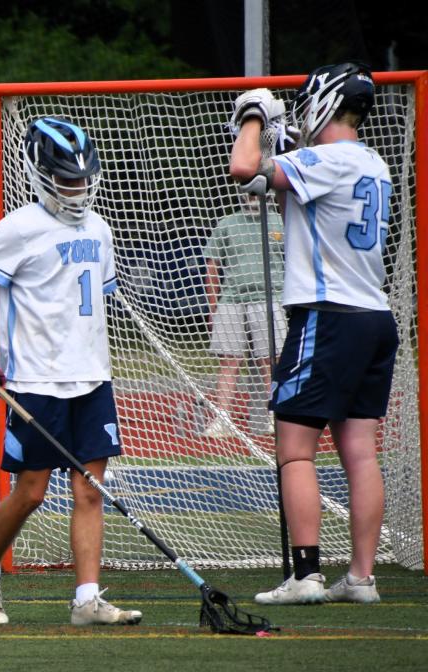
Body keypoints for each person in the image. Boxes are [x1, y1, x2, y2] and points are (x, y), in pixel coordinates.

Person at [0, 116, 142, 626]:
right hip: (35, 383)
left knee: (89, 490)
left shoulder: (99, 228)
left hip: (92, 378)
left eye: (82, 178)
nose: (77, 190)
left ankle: (87, 599)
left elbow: (95, 300)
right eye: (66, 180)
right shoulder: (21, 227)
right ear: (40, 174)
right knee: (30, 491)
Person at [229, 62, 397, 605]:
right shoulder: (375, 163)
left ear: (324, 102)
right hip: (374, 317)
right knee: (359, 451)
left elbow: (242, 167)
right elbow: (288, 203)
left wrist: (254, 117)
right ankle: (362, 578)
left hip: (328, 315)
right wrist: (289, 147)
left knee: (295, 449)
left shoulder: (323, 159)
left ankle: (305, 575)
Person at [202, 191, 286, 438]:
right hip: (232, 299)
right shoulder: (228, 223)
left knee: (270, 360)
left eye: (255, 191)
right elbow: (212, 265)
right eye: (247, 191)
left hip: (269, 297)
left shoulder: (280, 221)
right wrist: (213, 306)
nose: (252, 196)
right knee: (230, 361)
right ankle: (223, 419)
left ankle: (275, 414)